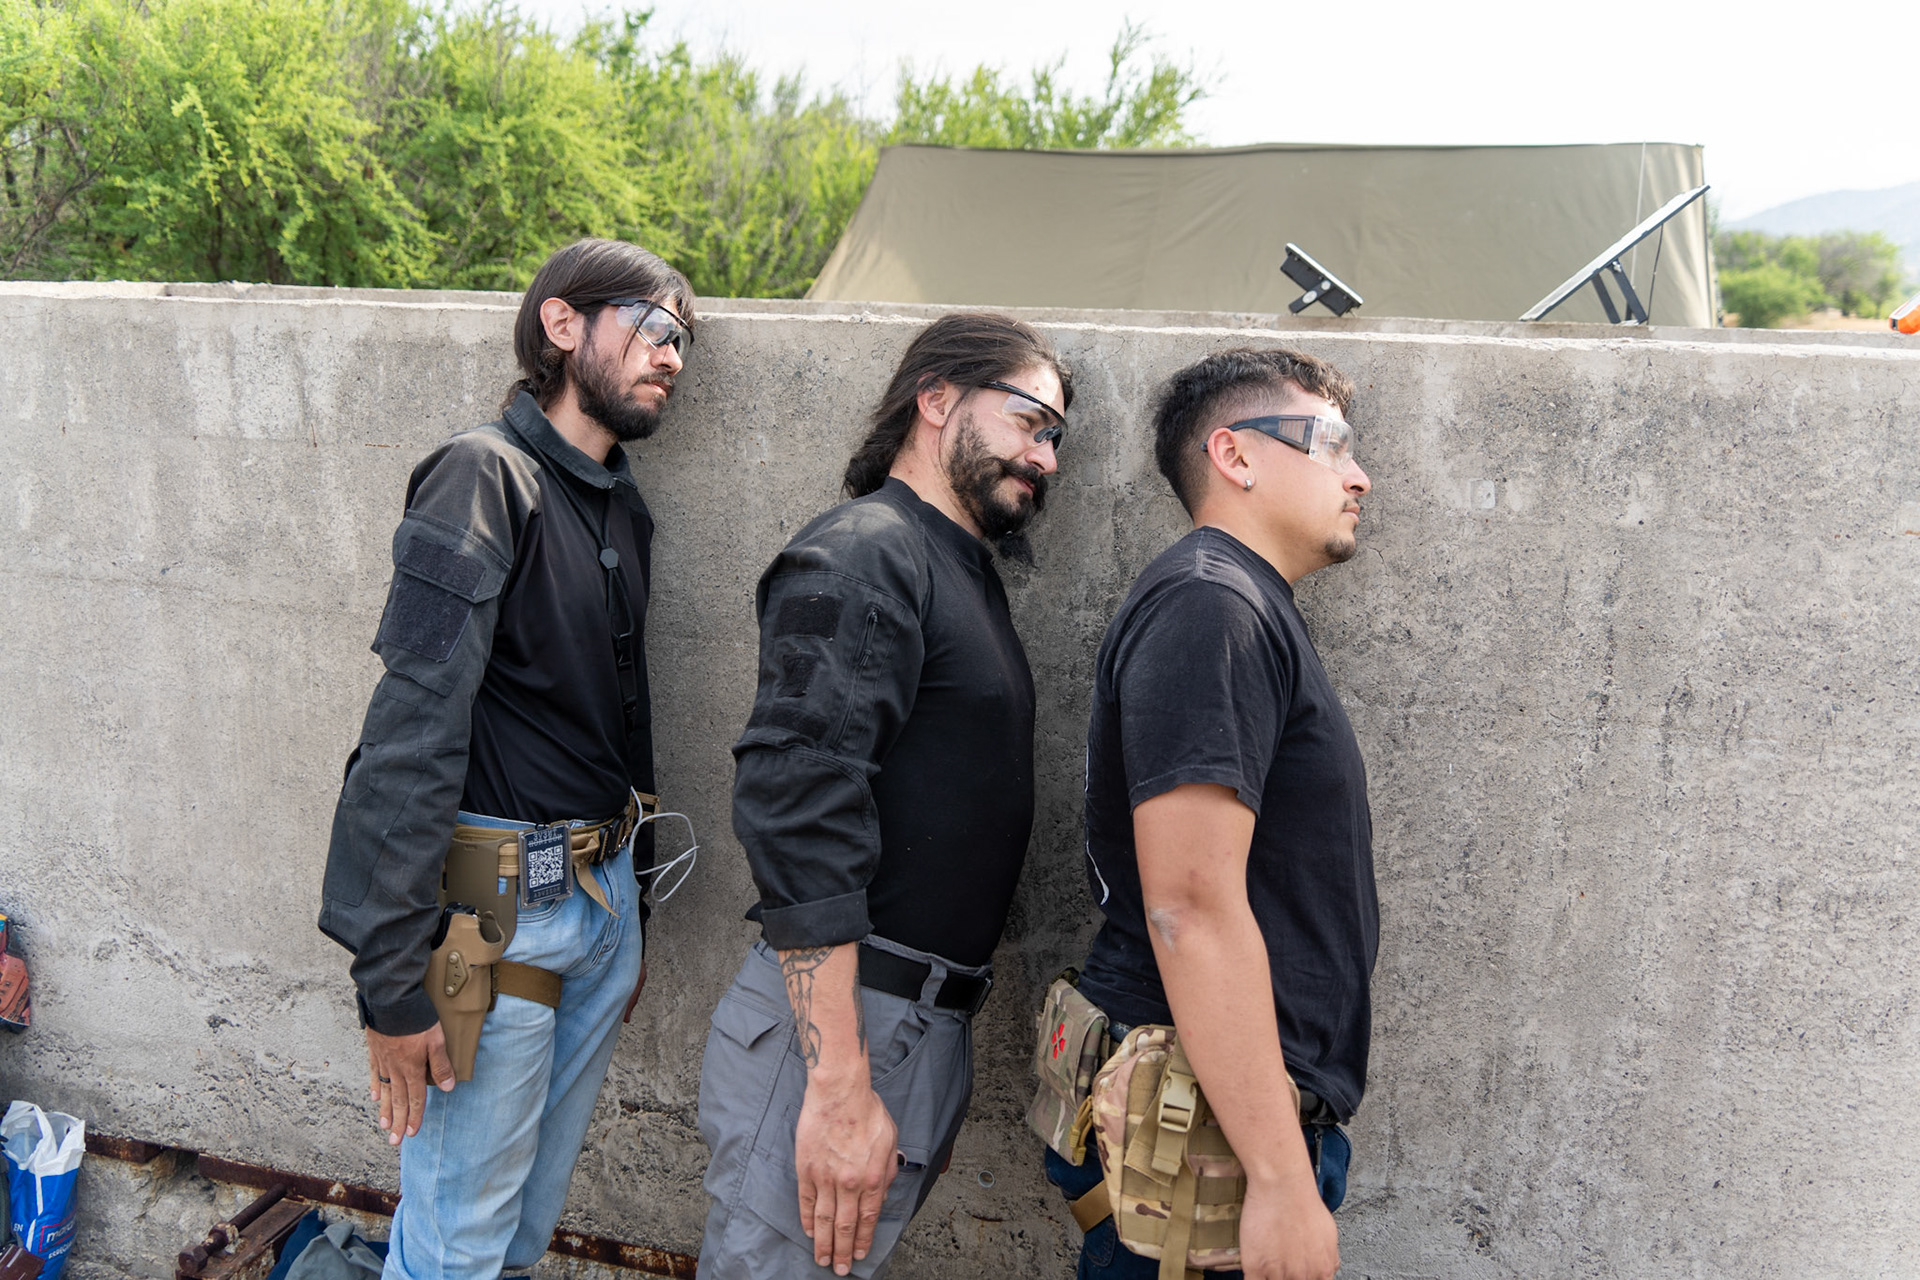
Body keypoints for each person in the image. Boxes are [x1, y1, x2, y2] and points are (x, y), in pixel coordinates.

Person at [317, 238, 695, 1280]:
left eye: (684, 341)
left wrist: (630, 914)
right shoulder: (483, 475)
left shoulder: (622, 505)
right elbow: (411, 723)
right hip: (493, 917)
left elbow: (624, 720)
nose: (672, 355)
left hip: (600, 910)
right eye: (654, 327)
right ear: (562, 323)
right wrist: (391, 981)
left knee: (520, 1231)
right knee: (459, 1245)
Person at [696, 313, 1073, 1278]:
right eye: (1030, 421)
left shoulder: (963, 572)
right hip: (843, 1030)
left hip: (917, 1026)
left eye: (1056, 437)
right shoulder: (868, 551)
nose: (1046, 457)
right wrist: (837, 1083)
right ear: (935, 398)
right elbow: (795, 804)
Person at [1045, 347, 1377, 1280]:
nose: (1359, 476)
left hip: (1224, 1125)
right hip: (1206, 1149)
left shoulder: (1240, 605)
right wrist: (1278, 1179)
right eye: (1334, 444)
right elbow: (1187, 908)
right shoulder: (1211, 607)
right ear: (1235, 455)